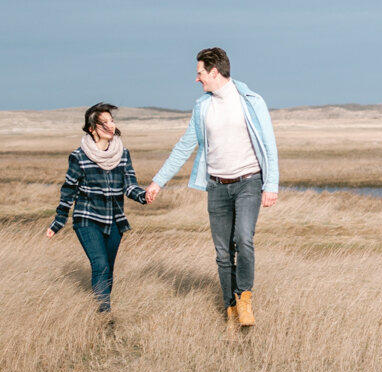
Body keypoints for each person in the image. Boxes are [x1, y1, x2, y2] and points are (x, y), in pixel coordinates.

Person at [145, 47, 278, 328]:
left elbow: (268, 144)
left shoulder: (251, 101)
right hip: (217, 187)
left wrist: (271, 185)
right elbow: (184, 146)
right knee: (222, 253)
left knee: (244, 239)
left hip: (249, 183)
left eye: (200, 73)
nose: (197, 79)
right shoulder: (202, 107)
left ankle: (244, 298)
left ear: (214, 72)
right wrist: (159, 181)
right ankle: (230, 307)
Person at [45, 102, 148, 314]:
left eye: (111, 121)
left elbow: (129, 185)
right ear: (92, 129)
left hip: (115, 220)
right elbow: (69, 190)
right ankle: (104, 313)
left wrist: (143, 196)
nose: (110, 126)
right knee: (100, 264)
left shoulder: (123, 153)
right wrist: (58, 221)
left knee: (108, 268)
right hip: (87, 219)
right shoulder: (79, 156)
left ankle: (102, 309)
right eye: (104, 123)